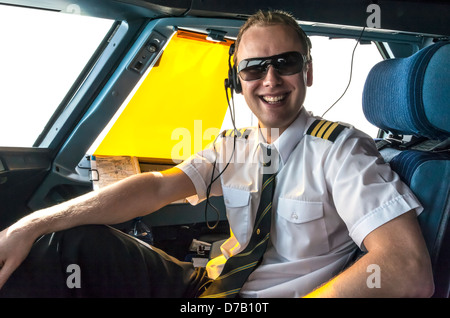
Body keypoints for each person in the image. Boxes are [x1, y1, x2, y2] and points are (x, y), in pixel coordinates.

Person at [0, 10, 434, 298]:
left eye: (285, 63)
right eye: (253, 68)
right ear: (236, 80)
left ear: (308, 71)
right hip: (204, 285)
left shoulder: (342, 150)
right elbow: (156, 188)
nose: (270, 79)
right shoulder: (234, 145)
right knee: (65, 242)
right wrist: (30, 223)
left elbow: (406, 266)